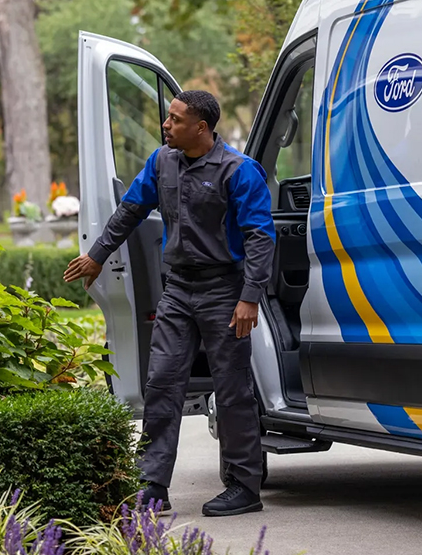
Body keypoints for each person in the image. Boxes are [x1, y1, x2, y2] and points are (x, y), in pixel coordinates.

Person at [63, 90, 274, 517]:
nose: (166, 124)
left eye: (176, 119)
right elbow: (130, 210)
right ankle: (152, 486)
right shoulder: (163, 162)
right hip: (177, 289)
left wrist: (250, 298)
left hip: (224, 291)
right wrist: (97, 256)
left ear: (201, 127)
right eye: (168, 117)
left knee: (232, 390)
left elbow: (260, 237)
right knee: (161, 384)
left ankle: (243, 487)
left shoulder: (239, 171)